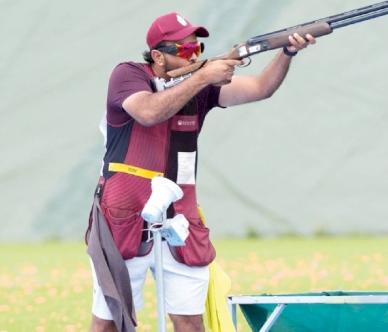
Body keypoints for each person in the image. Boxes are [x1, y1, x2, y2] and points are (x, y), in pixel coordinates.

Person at [85, 12, 315, 332]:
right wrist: (203, 77)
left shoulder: (201, 86)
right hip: (123, 215)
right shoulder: (128, 74)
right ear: (157, 56)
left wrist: (287, 52)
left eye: (197, 48)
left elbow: (261, 88)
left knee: (191, 323)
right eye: (183, 50)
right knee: (110, 320)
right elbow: (148, 112)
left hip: (182, 217)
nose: (194, 55)